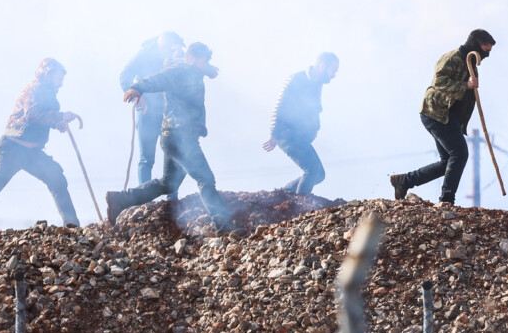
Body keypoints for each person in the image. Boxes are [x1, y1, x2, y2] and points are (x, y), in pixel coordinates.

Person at [105, 42, 235, 232]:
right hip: (180, 137)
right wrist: (137, 87)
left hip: (174, 136)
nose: (204, 65)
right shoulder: (179, 71)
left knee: (168, 183)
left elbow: (197, 69)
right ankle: (224, 226)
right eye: (202, 62)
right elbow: (159, 78)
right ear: (190, 58)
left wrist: (207, 69)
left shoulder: (192, 69)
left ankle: (120, 199)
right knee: (205, 179)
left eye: (206, 62)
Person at [0, 58, 81, 227]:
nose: (61, 83)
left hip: (32, 154)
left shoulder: (50, 96)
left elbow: (43, 118)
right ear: (47, 74)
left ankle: (72, 225)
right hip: (12, 149)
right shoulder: (33, 90)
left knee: (56, 178)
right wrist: (60, 116)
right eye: (58, 78)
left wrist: (56, 124)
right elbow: (32, 115)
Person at [390, 30, 495, 206]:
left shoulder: (470, 64)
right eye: (485, 50)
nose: (487, 55)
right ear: (476, 45)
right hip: (436, 113)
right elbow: (439, 82)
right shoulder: (452, 58)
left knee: (447, 162)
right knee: (459, 154)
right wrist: (466, 85)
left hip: (447, 116)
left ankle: (404, 181)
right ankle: (447, 199)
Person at [263, 52, 340, 194]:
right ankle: (300, 203)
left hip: (299, 136)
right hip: (287, 134)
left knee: (319, 174)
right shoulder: (296, 80)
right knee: (312, 170)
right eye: (333, 70)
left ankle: (284, 194)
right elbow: (280, 107)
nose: (334, 75)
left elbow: (314, 109)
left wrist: (315, 129)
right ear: (322, 66)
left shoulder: (316, 83)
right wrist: (274, 134)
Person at [120, 32, 185, 191]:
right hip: (147, 111)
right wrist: (137, 98)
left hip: (169, 113)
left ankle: (172, 197)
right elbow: (124, 76)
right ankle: (144, 197)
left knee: (173, 154)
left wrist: (179, 57)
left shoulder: (177, 58)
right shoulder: (144, 55)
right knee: (146, 158)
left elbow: (189, 75)